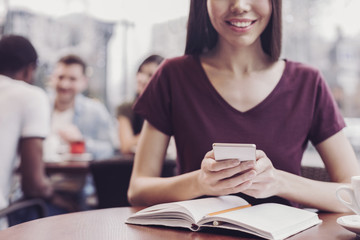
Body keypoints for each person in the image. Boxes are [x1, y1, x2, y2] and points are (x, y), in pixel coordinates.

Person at [127, 0, 360, 213]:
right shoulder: (172, 75)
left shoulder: (308, 82)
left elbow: (355, 195)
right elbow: (137, 190)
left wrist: (279, 182)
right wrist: (199, 182)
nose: (239, 5)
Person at [0, 35, 53, 229]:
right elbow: (33, 185)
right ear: (29, 69)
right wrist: (55, 194)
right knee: (77, 209)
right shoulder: (30, 96)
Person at [45, 54, 118, 160]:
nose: (65, 84)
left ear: (84, 82)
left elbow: (110, 149)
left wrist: (81, 142)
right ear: (52, 78)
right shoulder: (41, 106)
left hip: (77, 175)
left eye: (72, 79)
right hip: (42, 174)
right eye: (60, 77)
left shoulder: (95, 111)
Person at [117, 54, 164, 154]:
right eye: (140, 72)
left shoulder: (167, 110)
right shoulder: (126, 108)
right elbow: (126, 146)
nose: (141, 78)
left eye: (150, 75)